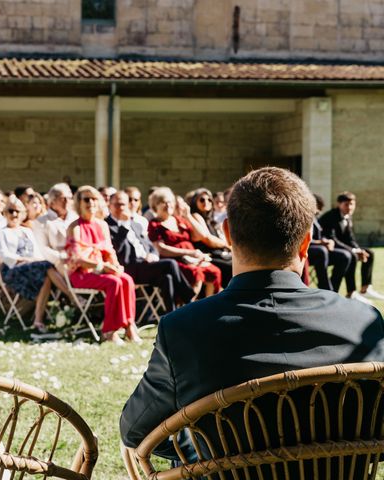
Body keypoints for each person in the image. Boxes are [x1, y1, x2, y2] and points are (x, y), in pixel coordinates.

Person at [120, 167, 384, 466]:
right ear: (307, 242)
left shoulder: (182, 329)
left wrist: (203, 452)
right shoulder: (365, 321)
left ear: (229, 233)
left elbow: (135, 430)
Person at [65, 186, 140, 344]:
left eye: (94, 199)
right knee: (114, 282)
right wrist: (102, 267)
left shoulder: (102, 225)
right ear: (79, 203)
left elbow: (109, 252)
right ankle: (109, 331)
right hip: (82, 273)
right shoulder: (75, 227)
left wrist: (115, 266)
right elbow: (77, 258)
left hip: (102, 270)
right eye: (86, 199)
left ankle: (129, 326)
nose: (91, 203)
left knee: (126, 279)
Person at [106, 191, 195, 312]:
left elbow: (149, 245)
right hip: (128, 268)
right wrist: (124, 226)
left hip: (145, 265)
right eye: (117, 204)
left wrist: (153, 255)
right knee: (170, 264)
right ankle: (190, 301)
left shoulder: (135, 224)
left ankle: (171, 315)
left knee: (167, 277)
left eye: (124, 204)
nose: (121, 208)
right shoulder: (107, 225)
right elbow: (116, 249)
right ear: (109, 205)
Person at [0, 197, 74, 332]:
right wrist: (26, 260)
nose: (14, 214)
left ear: (22, 214)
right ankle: (72, 296)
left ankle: (38, 320)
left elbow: (37, 252)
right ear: (5, 213)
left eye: (17, 211)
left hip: (35, 267)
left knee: (47, 274)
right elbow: (5, 255)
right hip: (13, 270)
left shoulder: (27, 231)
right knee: (47, 266)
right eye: (10, 211)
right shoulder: (2, 232)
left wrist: (34, 261)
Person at [148, 187, 221, 298]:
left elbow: (201, 236)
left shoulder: (179, 220)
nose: (168, 205)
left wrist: (188, 216)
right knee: (195, 274)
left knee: (214, 271)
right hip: (174, 260)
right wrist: (188, 253)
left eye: (170, 202)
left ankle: (207, 308)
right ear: (155, 206)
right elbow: (161, 248)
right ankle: (189, 309)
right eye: (163, 202)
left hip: (193, 258)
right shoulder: (154, 224)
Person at [319, 191, 384, 303]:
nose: (350, 207)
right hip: (327, 249)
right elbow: (333, 239)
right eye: (346, 204)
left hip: (341, 248)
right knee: (351, 255)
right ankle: (351, 292)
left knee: (369, 253)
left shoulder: (348, 216)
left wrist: (359, 249)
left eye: (352, 204)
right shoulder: (331, 216)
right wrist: (354, 250)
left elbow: (350, 239)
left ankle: (365, 288)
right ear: (339, 204)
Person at [188, 188, 233, 287]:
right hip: (208, 256)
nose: (206, 202)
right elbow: (208, 239)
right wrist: (227, 245)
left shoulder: (211, 220)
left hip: (220, 254)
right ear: (195, 202)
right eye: (202, 200)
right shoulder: (196, 216)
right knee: (231, 267)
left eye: (209, 200)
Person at [308, 193, 351, 292]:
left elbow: (319, 235)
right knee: (321, 251)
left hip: (319, 250)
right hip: (308, 252)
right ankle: (325, 288)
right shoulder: (304, 217)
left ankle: (333, 290)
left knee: (345, 256)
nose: (320, 211)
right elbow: (303, 240)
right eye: (318, 207)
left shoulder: (315, 218)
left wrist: (328, 241)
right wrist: (320, 243)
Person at [33, 183, 78, 269]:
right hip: (56, 264)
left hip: (79, 260)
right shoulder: (41, 222)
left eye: (69, 198)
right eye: (62, 198)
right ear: (52, 202)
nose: (67, 201)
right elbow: (43, 249)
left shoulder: (76, 218)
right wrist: (64, 258)